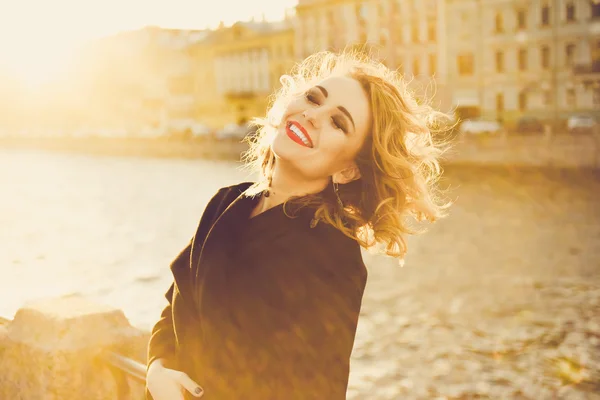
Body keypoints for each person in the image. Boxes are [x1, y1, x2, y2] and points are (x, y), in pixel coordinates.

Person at [145, 50, 451, 400]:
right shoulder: (225, 203)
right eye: (312, 98)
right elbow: (176, 305)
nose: (312, 115)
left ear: (348, 169)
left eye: (338, 122)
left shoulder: (332, 257)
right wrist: (158, 367)